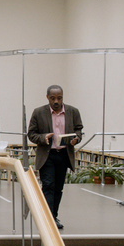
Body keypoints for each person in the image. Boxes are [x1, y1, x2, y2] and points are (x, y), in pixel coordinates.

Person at [26, 84, 83, 230]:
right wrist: (43, 137)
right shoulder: (38, 112)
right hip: (47, 155)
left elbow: (79, 130)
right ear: (47, 97)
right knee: (48, 185)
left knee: (58, 188)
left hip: (64, 155)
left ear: (62, 97)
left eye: (59, 98)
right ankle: (48, 218)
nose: (56, 101)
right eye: (52, 98)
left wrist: (76, 139)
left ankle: (53, 216)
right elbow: (31, 134)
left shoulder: (73, 111)